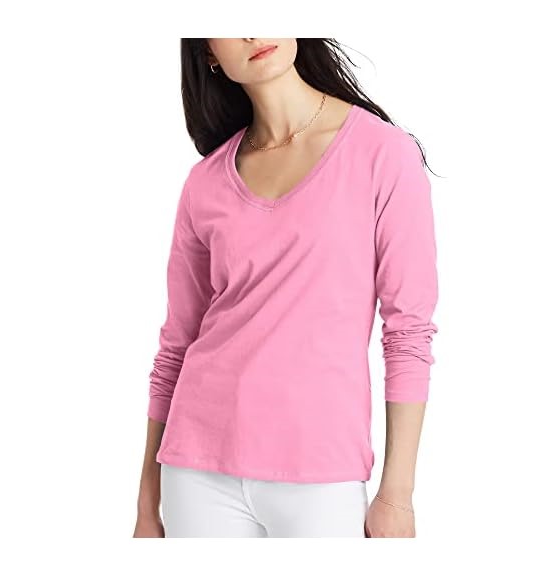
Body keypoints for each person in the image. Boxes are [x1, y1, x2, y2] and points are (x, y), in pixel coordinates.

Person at [133, 38, 439, 538]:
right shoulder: (204, 182)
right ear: (209, 54)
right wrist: (147, 503)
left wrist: (397, 494)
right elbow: (176, 345)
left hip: (323, 475)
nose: (253, 31)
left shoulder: (383, 154)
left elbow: (408, 331)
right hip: (197, 471)